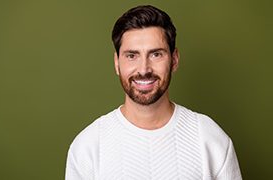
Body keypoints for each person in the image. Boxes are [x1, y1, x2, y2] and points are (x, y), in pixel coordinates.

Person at [65, 5, 242, 180]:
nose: (144, 69)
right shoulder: (88, 146)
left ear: (174, 60)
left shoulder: (209, 138)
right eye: (131, 55)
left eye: (156, 54)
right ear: (117, 63)